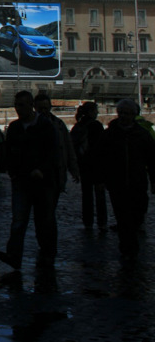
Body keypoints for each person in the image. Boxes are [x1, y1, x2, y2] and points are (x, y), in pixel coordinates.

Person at [0, 91, 60, 271]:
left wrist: (42, 170)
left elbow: (53, 152)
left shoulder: (46, 126)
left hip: (43, 181)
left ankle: (48, 254)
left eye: (22, 105)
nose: (18, 109)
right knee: (18, 221)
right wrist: (12, 172)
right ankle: (13, 256)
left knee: (45, 221)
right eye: (17, 105)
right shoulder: (15, 127)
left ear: (31, 105)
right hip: (21, 181)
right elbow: (9, 152)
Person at [97, 99, 155, 259]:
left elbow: (151, 159)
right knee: (122, 217)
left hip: (138, 181)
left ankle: (130, 242)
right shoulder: (109, 134)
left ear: (134, 115)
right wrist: (101, 179)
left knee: (137, 213)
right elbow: (101, 158)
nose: (124, 116)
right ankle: (128, 248)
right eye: (122, 113)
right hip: (117, 183)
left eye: (128, 114)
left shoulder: (142, 134)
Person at [70, 101, 107, 230]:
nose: (97, 113)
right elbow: (102, 147)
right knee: (100, 196)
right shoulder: (96, 126)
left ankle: (88, 221)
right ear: (91, 112)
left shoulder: (78, 126)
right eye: (96, 110)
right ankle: (102, 222)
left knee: (86, 195)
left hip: (83, 165)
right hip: (97, 166)